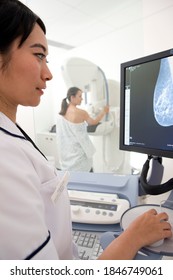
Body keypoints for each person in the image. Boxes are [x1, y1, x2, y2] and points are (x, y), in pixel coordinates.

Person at [0, 0, 172, 260]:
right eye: (38, 55)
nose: (48, 74)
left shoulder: (22, 130)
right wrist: (133, 237)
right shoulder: (5, 160)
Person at [57, 86, 109, 171]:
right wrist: (104, 111)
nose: (82, 99)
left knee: (72, 177)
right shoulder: (81, 113)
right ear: (72, 97)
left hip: (67, 154)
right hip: (80, 155)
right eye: (80, 96)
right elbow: (93, 122)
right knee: (84, 174)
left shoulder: (62, 113)